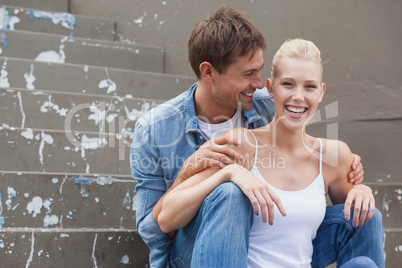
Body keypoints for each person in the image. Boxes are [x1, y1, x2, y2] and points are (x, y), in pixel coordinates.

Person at [130, 6, 375, 268]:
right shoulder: (156, 129)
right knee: (230, 194)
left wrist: (349, 172)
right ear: (209, 72)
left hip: (267, 240)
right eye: (248, 74)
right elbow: (154, 230)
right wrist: (202, 172)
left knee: (366, 215)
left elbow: (298, 148)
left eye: (260, 71)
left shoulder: (266, 103)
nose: (259, 83)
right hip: (194, 249)